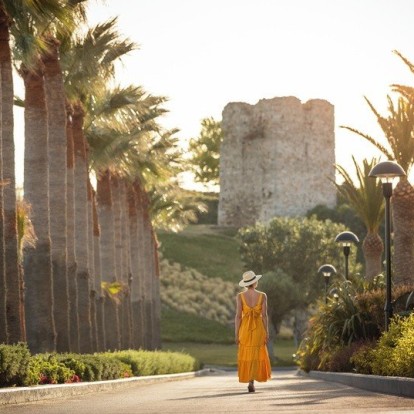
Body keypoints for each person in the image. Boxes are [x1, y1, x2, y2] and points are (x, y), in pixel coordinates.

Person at [235, 270, 271, 392]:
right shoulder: (263, 295)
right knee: (256, 353)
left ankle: (250, 380)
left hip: (245, 329)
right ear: (255, 282)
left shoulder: (240, 296)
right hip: (258, 328)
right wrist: (267, 331)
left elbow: (238, 316)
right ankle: (252, 381)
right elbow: (265, 315)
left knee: (247, 353)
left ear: (245, 283)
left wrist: (236, 334)